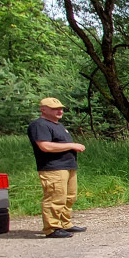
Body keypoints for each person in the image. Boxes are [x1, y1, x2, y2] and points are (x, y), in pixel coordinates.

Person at [28, 97, 87, 238]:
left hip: (68, 166)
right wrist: (72, 145)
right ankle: (52, 228)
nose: (60, 111)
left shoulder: (58, 125)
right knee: (55, 197)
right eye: (55, 109)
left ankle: (65, 224)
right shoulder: (39, 125)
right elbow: (45, 146)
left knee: (69, 197)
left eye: (61, 108)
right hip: (53, 168)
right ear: (43, 109)